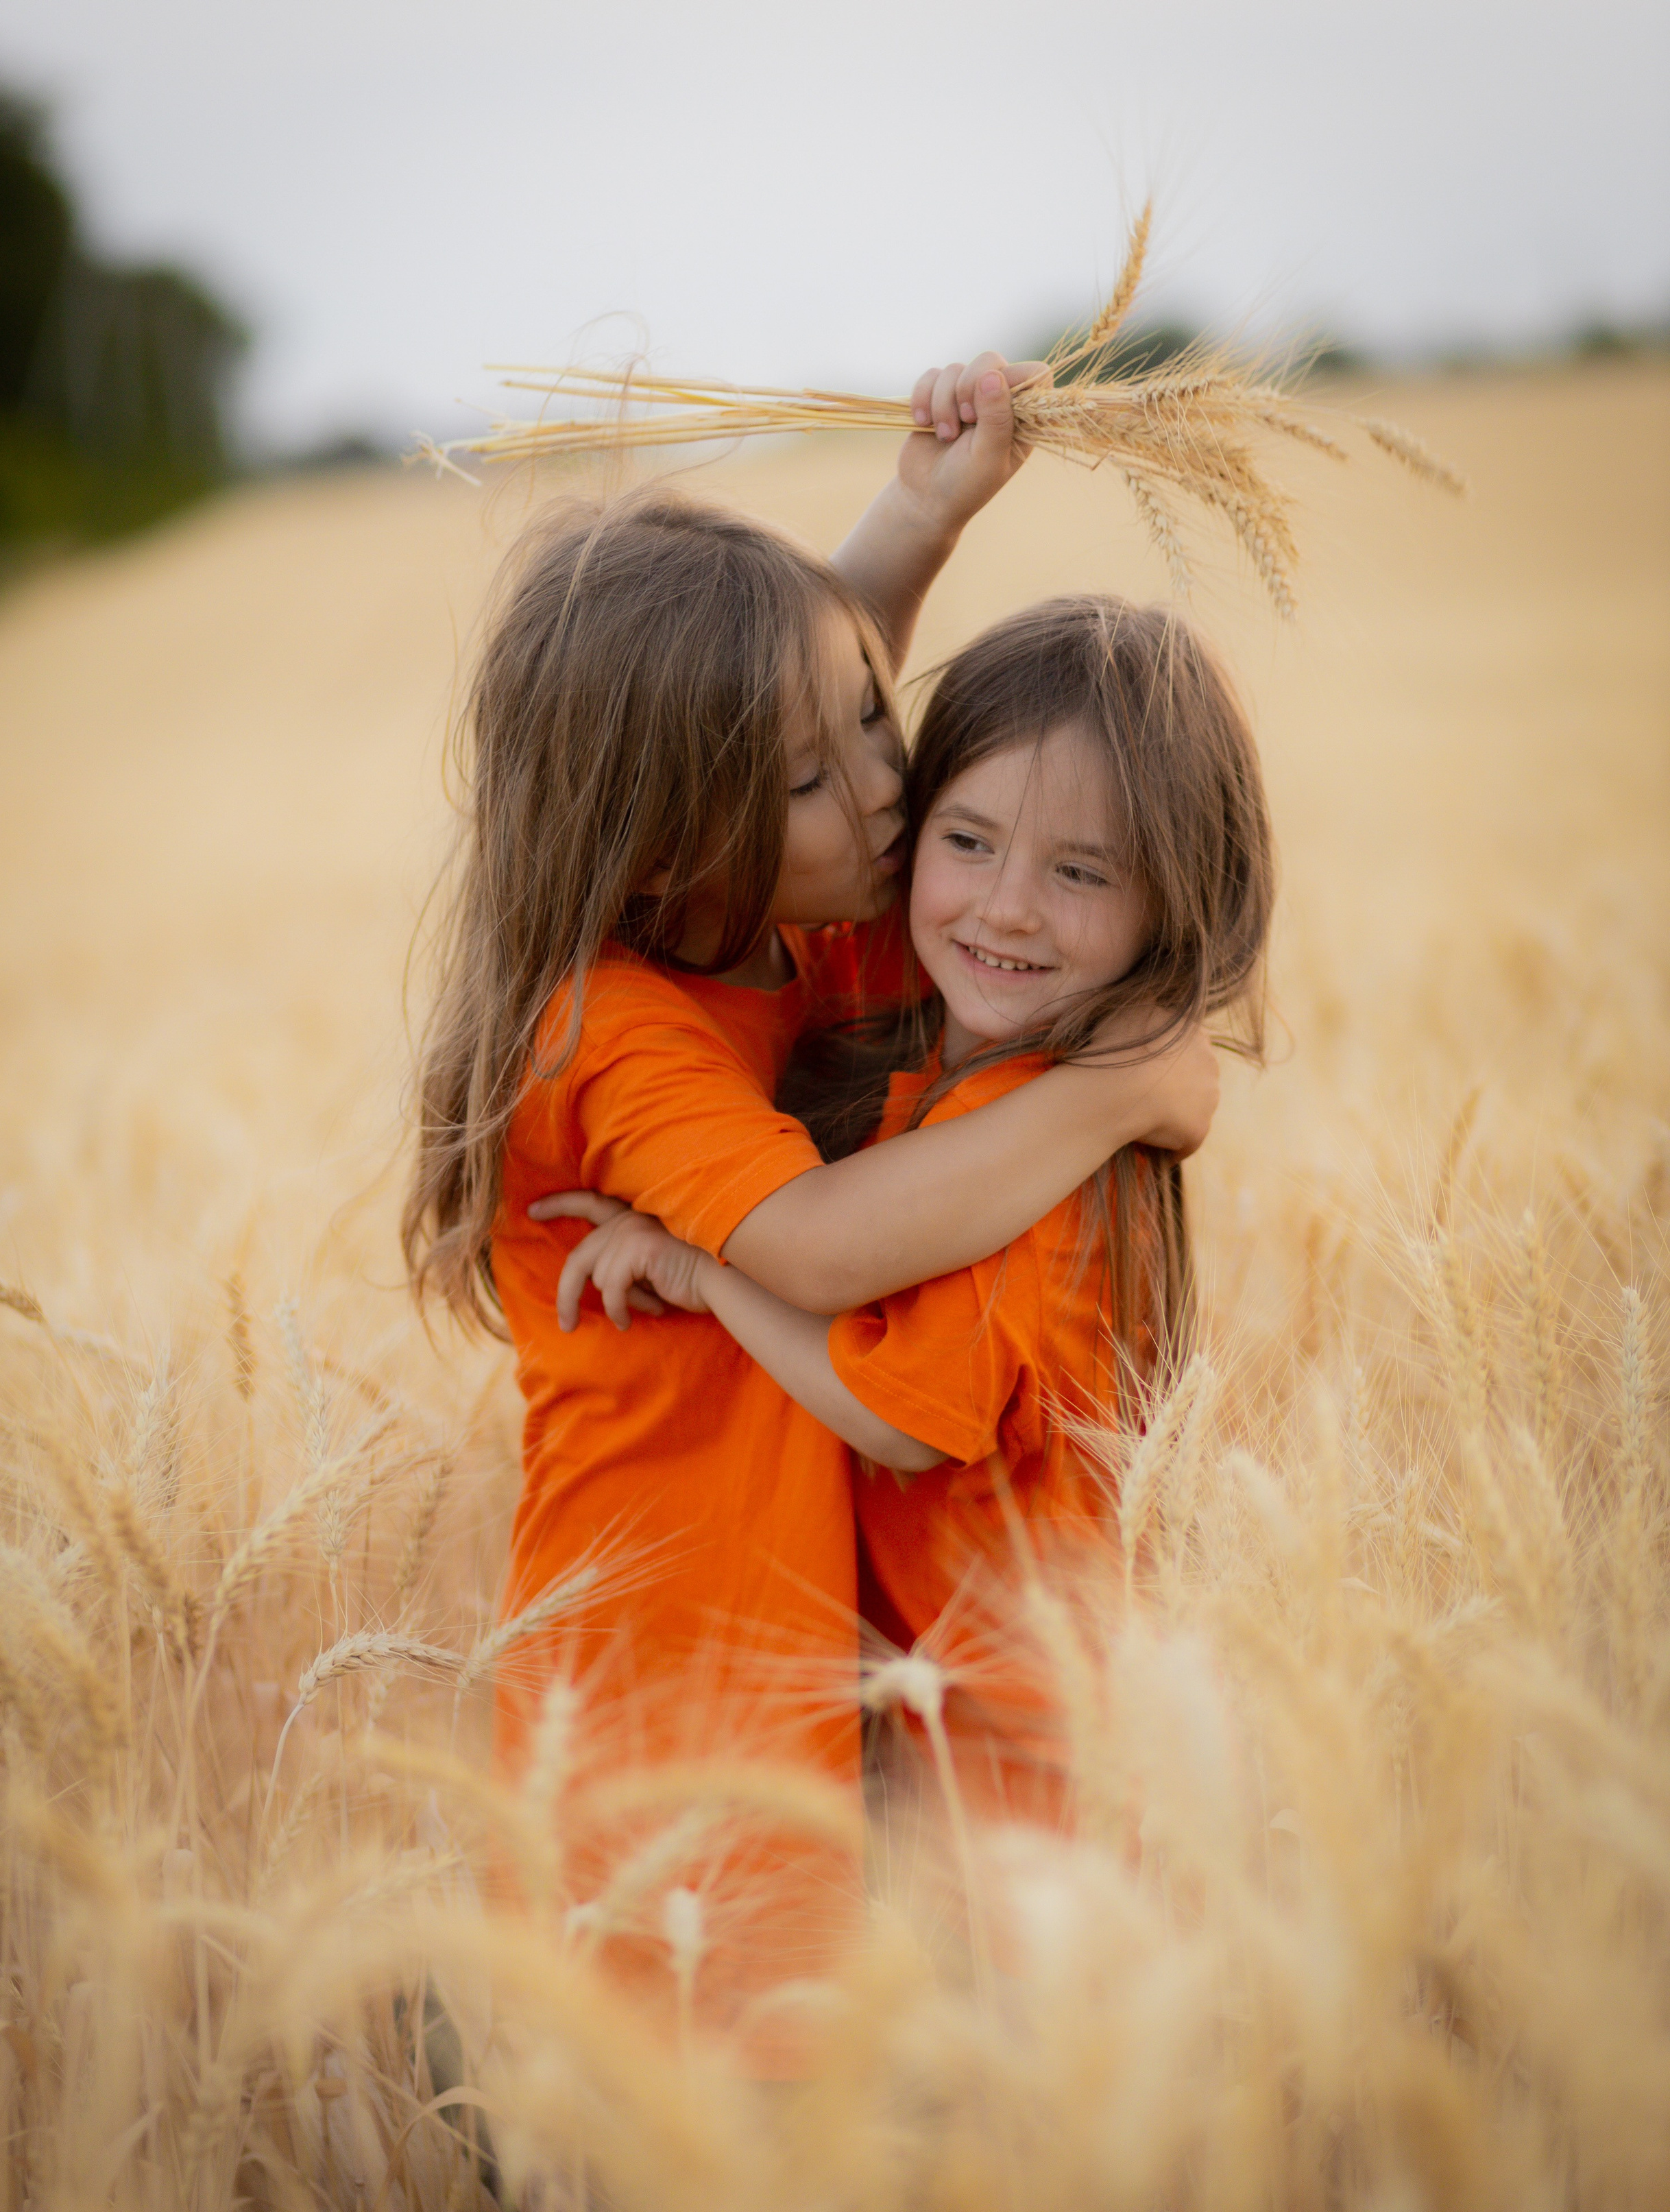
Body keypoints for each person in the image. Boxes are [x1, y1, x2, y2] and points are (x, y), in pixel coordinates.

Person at [402, 370, 1222, 2058]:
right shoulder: (606, 1032)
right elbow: (828, 1250)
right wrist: (1124, 1089)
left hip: (818, 1626)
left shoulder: (798, 923)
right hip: (664, 1643)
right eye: (807, 781)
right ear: (651, 842)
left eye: (875, 724)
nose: (880, 794)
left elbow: (792, 683)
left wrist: (922, 513)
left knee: (814, 2085)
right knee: (665, 2092)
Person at [559, 596, 1272, 1844]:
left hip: (1018, 1754)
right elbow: (731, 741)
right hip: (939, 1716)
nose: (1005, 908)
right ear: (909, 840)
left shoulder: (1043, 1154)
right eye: (970, 839)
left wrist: (699, 1264)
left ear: (1178, 900)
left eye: (1081, 871)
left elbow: (899, 1419)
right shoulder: (967, 1065)